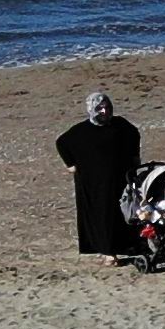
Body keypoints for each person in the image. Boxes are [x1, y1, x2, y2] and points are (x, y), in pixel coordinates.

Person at [54, 89, 141, 257]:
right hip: (94, 184)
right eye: (100, 108)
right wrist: (70, 165)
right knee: (102, 217)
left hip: (121, 180)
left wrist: (135, 158)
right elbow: (62, 143)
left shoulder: (121, 125)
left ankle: (127, 246)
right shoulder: (80, 131)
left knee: (126, 212)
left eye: (107, 107)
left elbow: (134, 135)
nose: (105, 111)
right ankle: (109, 253)